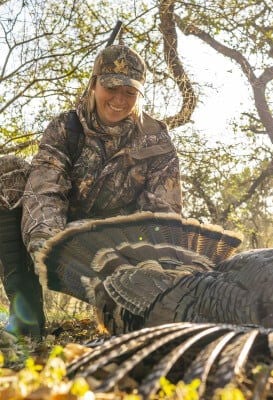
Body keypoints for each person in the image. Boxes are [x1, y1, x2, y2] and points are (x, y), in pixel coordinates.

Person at [2, 44, 182, 338]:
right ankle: (27, 322)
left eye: (130, 92)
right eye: (111, 87)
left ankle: (133, 324)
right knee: (6, 174)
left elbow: (164, 212)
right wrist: (47, 244)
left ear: (139, 94)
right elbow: (45, 188)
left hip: (116, 251)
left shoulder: (156, 139)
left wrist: (156, 270)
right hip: (60, 240)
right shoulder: (65, 127)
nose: (119, 99)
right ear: (94, 84)